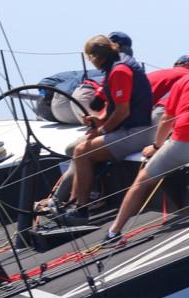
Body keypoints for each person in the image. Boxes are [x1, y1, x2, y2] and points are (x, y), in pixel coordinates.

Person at [106, 45, 189, 241]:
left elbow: (167, 118)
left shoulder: (185, 79)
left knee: (142, 180)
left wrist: (157, 146)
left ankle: (114, 231)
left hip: (183, 143)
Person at [45, 34, 153, 226]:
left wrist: (102, 131)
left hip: (137, 131)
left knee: (82, 151)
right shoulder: (115, 66)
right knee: (80, 148)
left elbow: (122, 111)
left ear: (96, 56)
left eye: (89, 58)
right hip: (128, 128)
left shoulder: (119, 71)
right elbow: (114, 108)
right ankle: (73, 202)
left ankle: (81, 210)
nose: (90, 62)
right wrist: (99, 120)